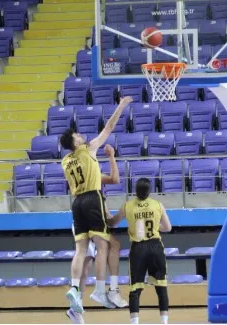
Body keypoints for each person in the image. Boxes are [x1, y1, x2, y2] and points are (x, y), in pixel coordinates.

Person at [61, 96, 132, 314]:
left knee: (80, 249)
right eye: (77, 136)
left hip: (77, 203)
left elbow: (105, 178)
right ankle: (100, 289)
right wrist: (121, 105)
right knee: (103, 246)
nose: (81, 136)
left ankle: (74, 287)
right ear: (75, 143)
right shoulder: (88, 149)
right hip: (92, 199)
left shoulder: (65, 161)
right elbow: (108, 128)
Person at [66, 144, 128, 324]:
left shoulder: (99, 197)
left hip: (86, 218)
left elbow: (109, 222)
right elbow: (115, 178)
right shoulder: (91, 181)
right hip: (86, 220)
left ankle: (75, 309)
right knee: (102, 249)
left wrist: (120, 215)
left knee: (86, 265)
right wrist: (111, 156)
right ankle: (101, 290)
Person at [108, 178, 172, 325]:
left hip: (138, 249)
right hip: (156, 247)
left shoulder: (127, 206)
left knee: (135, 288)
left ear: (135, 190)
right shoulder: (158, 205)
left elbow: (112, 223)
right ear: (149, 191)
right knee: (161, 286)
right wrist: (156, 228)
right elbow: (168, 228)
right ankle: (164, 322)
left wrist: (104, 213)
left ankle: (135, 322)